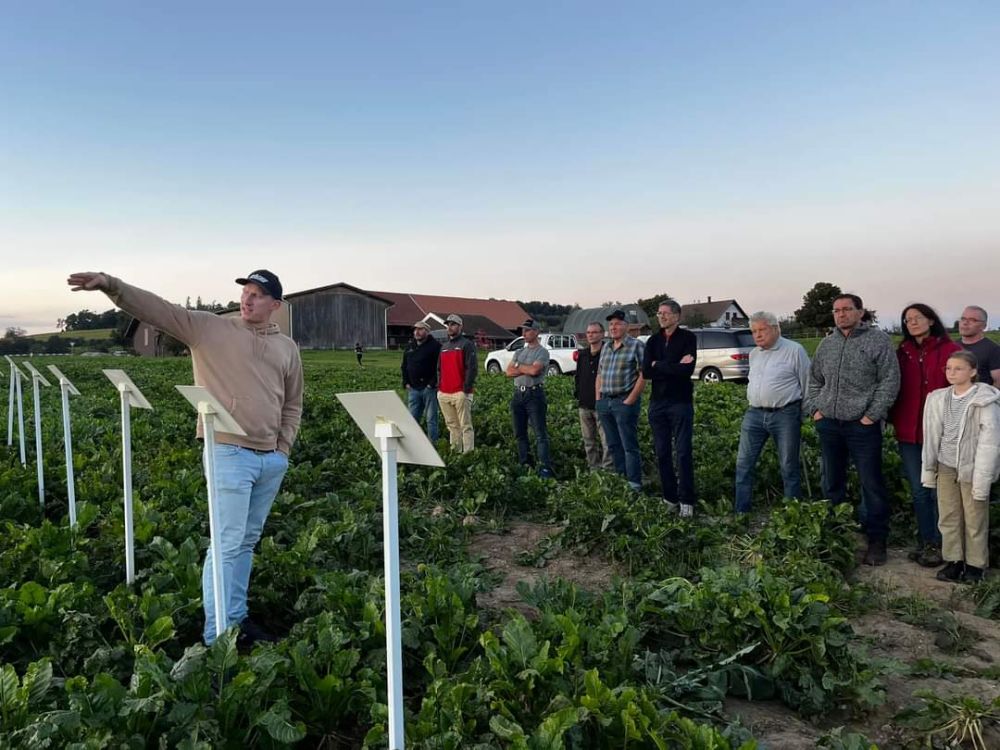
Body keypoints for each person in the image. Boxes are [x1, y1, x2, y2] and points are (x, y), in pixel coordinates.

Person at [67, 269, 303, 646]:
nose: (248, 299)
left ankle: (237, 618)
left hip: (270, 460)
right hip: (228, 450)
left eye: (258, 295)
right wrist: (113, 286)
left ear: (275, 305)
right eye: (246, 292)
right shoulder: (209, 328)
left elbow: (292, 402)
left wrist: (283, 448)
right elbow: (159, 310)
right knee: (226, 544)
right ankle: (218, 636)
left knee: (246, 542)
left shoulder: (286, 348)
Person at [805, 293, 900, 566]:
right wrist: (816, 410)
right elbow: (814, 379)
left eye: (847, 309)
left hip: (862, 426)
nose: (841, 314)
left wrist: (871, 416)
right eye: (837, 310)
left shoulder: (877, 341)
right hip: (830, 424)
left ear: (860, 312)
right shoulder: (828, 343)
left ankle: (876, 541)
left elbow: (889, 381)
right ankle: (837, 534)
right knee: (832, 481)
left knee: (871, 483)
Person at [888, 303, 961, 567]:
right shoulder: (903, 352)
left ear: (931, 320)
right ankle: (928, 541)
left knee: (943, 491)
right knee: (919, 490)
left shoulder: (949, 350)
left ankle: (949, 544)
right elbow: (893, 386)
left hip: (942, 432)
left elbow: (963, 388)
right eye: (907, 320)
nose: (912, 323)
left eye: (917, 318)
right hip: (909, 432)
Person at [921, 351, 1000, 583]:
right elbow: (933, 435)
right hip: (946, 466)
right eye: (948, 368)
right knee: (948, 515)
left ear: (973, 371)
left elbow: (990, 443)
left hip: (972, 467)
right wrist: (930, 465)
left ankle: (975, 565)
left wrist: (982, 477)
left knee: (974, 517)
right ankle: (954, 561)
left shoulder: (985, 400)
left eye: (958, 368)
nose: (951, 373)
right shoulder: (938, 398)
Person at [734, 311, 811, 514]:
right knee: (743, 464)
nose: (757, 335)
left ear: (776, 329)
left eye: (762, 330)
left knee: (788, 465)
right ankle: (741, 512)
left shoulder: (794, 350)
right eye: (754, 331)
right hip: (755, 414)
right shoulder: (754, 354)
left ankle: (793, 514)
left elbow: (807, 384)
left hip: (785, 413)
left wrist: (801, 414)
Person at [641, 300, 697, 516]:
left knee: (683, 452)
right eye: (659, 313)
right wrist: (669, 365)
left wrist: (659, 365)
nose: (661, 316)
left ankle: (686, 500)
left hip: (680, 402)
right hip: (658, 404)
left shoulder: (687, 338)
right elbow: (646, 371)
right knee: (662, 452)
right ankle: (670, 497)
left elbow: (687, 370)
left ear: (676, 316)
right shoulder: (653, 341)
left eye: (665, 313)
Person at [595, 309, 645, 491]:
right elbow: (600, 374)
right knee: (613, 444)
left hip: (624, 402)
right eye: (611, 324)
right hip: (605, 402)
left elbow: (644, 375)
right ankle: (621, 479)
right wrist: (598, 398)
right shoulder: (606, 348)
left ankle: (634, 484)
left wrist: (630, 400)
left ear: (627, 326)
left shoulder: (636, 346)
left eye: (617, 323)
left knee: (628, 445)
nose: (613, 327)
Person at [506, 319, 553, 477]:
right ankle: (525, 463)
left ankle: (544, 468)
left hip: (534, 395)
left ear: (536, 332)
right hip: (518, 394)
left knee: (540, 433)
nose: (524, 333)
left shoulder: (542, 352)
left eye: (527, 330)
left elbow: (535, 371)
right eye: (523, 330)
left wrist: (519, 366)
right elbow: (508, 372)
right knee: (520, 432)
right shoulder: (519, 351)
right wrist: (525, 368)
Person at [574, 321, 612, 469]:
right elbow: (578, 377)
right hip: (584, 404)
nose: (590, 335)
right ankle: (594, 469)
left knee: (606, 441)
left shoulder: (608, 353)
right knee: (588, 441)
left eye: (594, 332)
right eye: (588, 332)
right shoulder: (583, 354)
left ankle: (608, 471)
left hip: (602, 404)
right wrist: (578, 395)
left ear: (602, 334)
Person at [437, 313, 477, 452]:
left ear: (460, 326)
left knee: (465, 425)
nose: (450, 327)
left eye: (453, 324)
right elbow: (439, 369)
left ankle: (468, 454)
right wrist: (439, 387)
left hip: (460, 392)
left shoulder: (467, 345)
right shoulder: (444, 347)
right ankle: (455, 452)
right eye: (448, 324)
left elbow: (472, 368)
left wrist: (465, 389)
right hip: (444, 392)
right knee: (452, 425)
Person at [401, 320, 441, 441]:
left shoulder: (435, 346)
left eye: (420, 329)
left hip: (428, 389)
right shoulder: (410, 346)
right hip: (413, 388)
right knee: (412, 418)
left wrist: (431, 384)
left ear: (427, 332)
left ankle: (433, 444)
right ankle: (414, 443)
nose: (417, 332)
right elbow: (404, 366)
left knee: (431, 419)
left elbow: (439, 367)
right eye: (415, 329)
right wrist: (406, 382)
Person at [958, 306, 1000, 386]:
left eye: (972, 320)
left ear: (983, 326)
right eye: (963, 319)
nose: (965, 323)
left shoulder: (994, 350)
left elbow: (998, 383)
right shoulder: (951, 347)